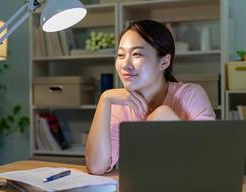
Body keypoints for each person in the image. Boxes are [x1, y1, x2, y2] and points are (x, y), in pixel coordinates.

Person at [85, 20, 216, 175]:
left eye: (137, 54)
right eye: (121, 55)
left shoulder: (190, 95)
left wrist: (163, 116)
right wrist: (104, 100)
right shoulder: (119, 104)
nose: (125, 64)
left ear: (164, 62)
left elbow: (208, 161)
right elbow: (96, 167)